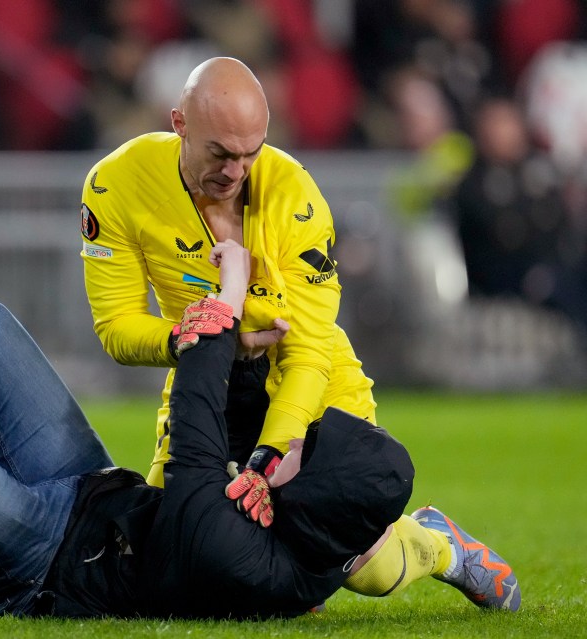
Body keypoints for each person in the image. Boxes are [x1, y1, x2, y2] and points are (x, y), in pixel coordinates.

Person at [0, 246, 518, 617]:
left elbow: (192, 421)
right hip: (88, 489)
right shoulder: (302, 515)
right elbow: (264, 436)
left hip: (36, 570)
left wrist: (227, 289)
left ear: (296, 501)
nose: (293, 442)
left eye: (305, 452)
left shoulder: (249, 560)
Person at [79, 56, 514, 605]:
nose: (235, 171)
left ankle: (437, 546)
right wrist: (196, 338)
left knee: (361, 571)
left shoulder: (297, 198)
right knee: (183, 552)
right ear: (179, 124)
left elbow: (309, 350)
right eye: (219, 153)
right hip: (209, 378)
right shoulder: (116, 185)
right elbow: (116, 327)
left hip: (307, 384)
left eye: (250, 153)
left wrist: (268, 456)